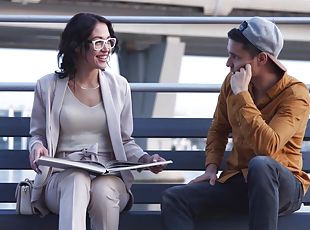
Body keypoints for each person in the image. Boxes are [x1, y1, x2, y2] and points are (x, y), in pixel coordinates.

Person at [161, 16, 310, 230]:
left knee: (261, 164)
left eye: (235, 57)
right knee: (174, 198)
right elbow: (219, 128)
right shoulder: (231, 82)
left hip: (282, 188)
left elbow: (267, 147)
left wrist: (242, 95)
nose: (228, 63)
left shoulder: (295, 94)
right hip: (240, 182)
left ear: (262, 59)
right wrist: (211, 167)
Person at [28, 12, 166, 230]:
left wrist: (144, 158)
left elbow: (124, 140)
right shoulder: (47, 86)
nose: (106, 49)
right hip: (62, 178)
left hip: (108, 174)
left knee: (104, 191)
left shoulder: (119, 86)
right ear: (76, 45)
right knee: (76, 180)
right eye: (98, 42)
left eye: (109, 41)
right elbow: (38, 135)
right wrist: (37, 147)